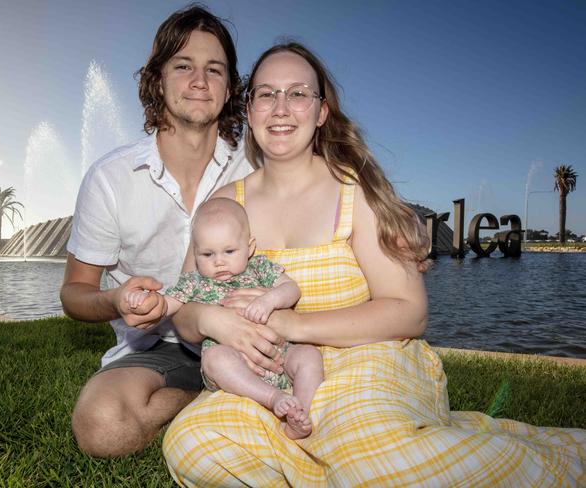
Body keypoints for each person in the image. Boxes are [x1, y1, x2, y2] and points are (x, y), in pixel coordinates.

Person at [163, 43, 586, 486]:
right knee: (195, 444)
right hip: (265, 373)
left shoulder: (355, 193)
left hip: (368, 358)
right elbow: (187, 312)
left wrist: (290, 325)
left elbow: (408, 311)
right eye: (266, 94)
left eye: (298, 93)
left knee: (370, 464)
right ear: (249, 111)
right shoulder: (225, 206)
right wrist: (214, 319)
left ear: (322, 111)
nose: (281, 108)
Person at [59, 6, 263, 458]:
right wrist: (116, 300)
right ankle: (210, 396)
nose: (199, 80)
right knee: (101, 427)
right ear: (157, 80)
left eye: (215, 69)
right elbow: (74, 292)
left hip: (248, 337)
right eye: (183, 66)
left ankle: (238, 388)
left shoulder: (255, 167)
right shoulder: (111, 177)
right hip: (159, 348)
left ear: (229, 88)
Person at [127, 197, 323, 439]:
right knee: (215, 358)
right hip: (234, 365)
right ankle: (274, 398)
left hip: (279, 353)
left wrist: (269, 300)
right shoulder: (194, 282)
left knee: (309, 355)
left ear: (249, 247)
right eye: (207, 254)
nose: (219, 261)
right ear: (195, 254)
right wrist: (145, 301)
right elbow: (166, 306)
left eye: (229, 251)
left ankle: (299, 412)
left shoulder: (260, 268)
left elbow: (292, 289)